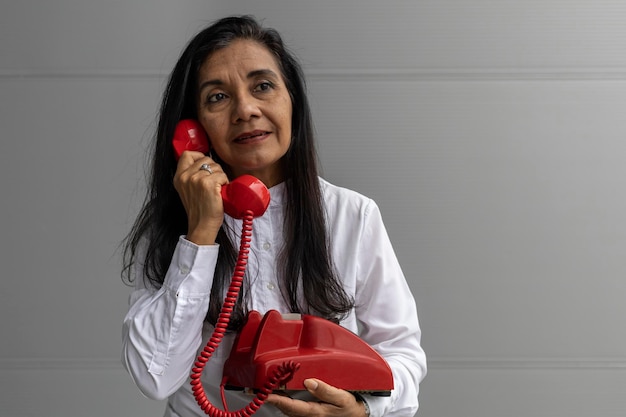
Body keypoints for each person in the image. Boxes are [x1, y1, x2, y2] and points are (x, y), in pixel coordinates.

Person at [121, 15, 426, 417]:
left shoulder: (352, 215)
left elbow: (402, 353)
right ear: (193, 127)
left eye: (263, 86)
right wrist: (200, 234)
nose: (246, 110)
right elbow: (154, 377)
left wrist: (363, 408)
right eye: (217, 97)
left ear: (291, 100)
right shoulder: (174, 228)